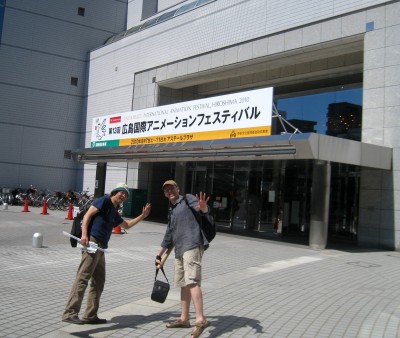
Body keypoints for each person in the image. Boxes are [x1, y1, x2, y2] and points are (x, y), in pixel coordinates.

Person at [62, 183, 151, 325]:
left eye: (126, 195)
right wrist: (84, 234)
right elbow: (88, 216)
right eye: (121, 193)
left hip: (101, 248)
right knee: (83, 278)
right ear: (114, 192)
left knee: (99, 281)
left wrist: (143, 216)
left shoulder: (114, 211)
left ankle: (90, 315)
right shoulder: (104, 200)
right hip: (92, 242)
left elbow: (126, 225)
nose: (123, 196)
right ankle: (70, 313)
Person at [155, 180, 210, 338]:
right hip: (179, 249)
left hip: (192, 244)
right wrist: (159, 255)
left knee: (192, 281)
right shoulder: (172, 209)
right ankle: (184, 319)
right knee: (183, 284)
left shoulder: (188, 199)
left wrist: (204, 208)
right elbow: (169, 234)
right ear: (165, 194)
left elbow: (201, 210)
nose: (169, 191)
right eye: (166, 190)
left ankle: (200, 319)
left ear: (178, 189)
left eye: (172, 188)